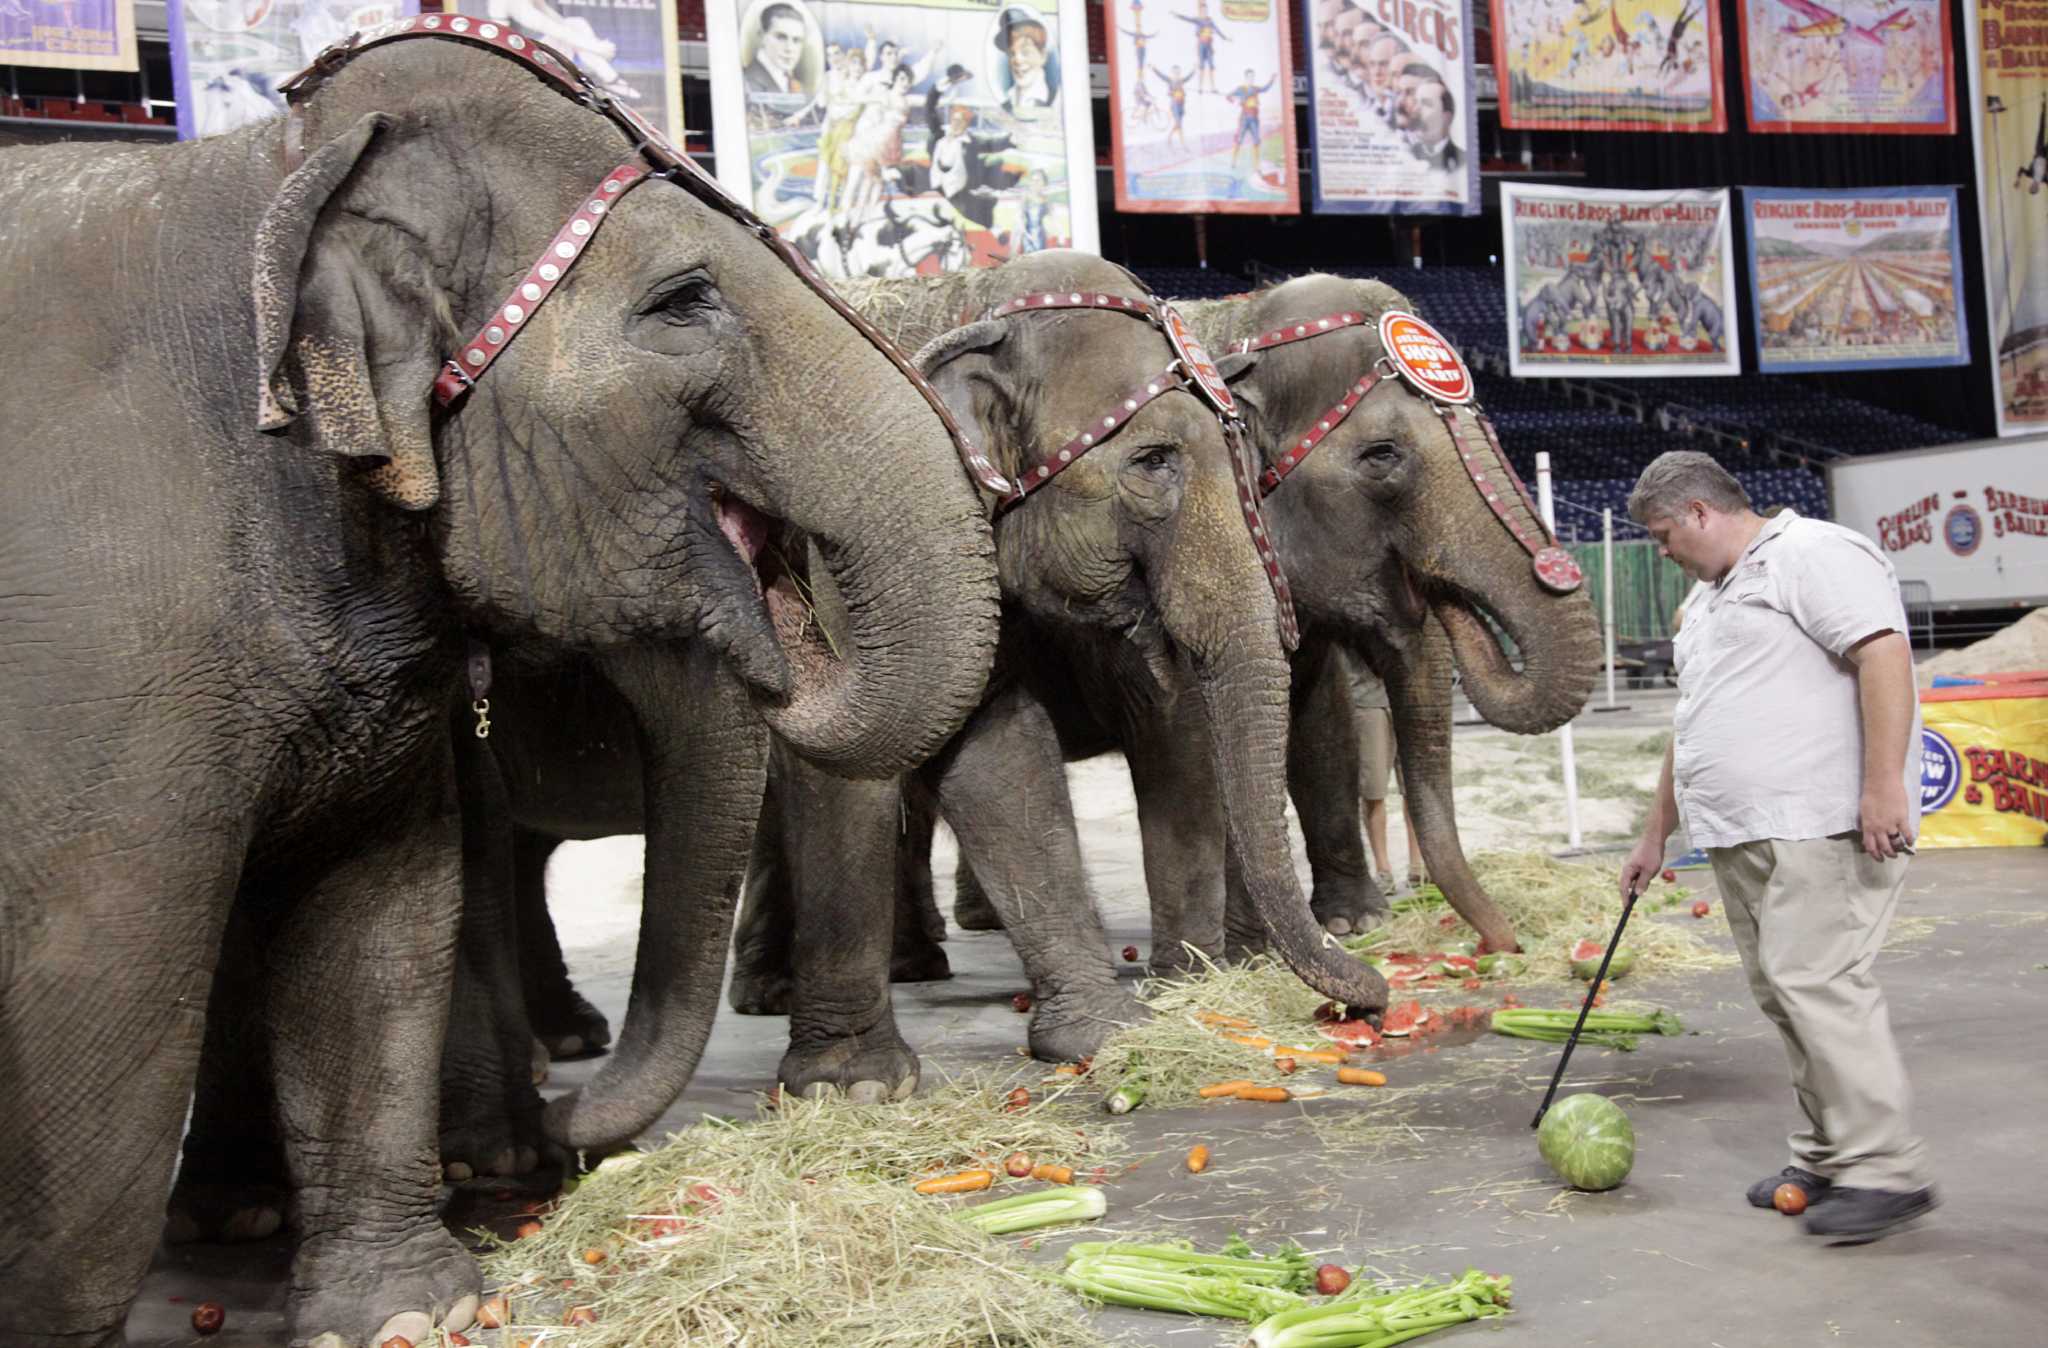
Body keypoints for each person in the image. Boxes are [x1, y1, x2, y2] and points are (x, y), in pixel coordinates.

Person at [1618, 451, 1936, 1243]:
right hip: (1742, 831)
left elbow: (1883, 654)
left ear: (1697, 512)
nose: (1662, 552)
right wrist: (1657, 831)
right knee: (1785, 993)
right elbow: (1695, 721)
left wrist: (1883, 787)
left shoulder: (1812, 555)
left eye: (1662, 535)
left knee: (1818, 982)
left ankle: (1886, 1169)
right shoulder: (1707, 598)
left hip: (1818, 821)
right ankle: (1830, 1153)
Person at [1344, 651, 1424, 896]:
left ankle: (1418, 864)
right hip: (1367, 700)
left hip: (1410, 696)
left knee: (1415, 789)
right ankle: (1383, 869)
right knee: (1374, 790)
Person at [994, 8, 1058, 117]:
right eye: (1012, 53)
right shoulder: (1008, 99)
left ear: (1043, 56)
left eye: (1026, 52)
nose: (1017, 60)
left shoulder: (1055, 101)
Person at [744, 2, 810, 97]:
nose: (789, 48)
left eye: (796, 40)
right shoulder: (747, 82)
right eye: (781, 37)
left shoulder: (795, 85)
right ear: (762, 36)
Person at [1224, 68, 1276, 171]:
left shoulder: (1256, 89)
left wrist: (1272, 80)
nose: (1251, 79)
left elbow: (1265, 89)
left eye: (1253, 77)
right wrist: (1236, 101)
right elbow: (1228, 96)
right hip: (1244, 117)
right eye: (1249, 77)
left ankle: (1257, 166)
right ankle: (1233, 161)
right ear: (1246, 77)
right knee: (1239, 140)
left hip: (1254, 118)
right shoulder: (1240, 89)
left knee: (1256, 141)